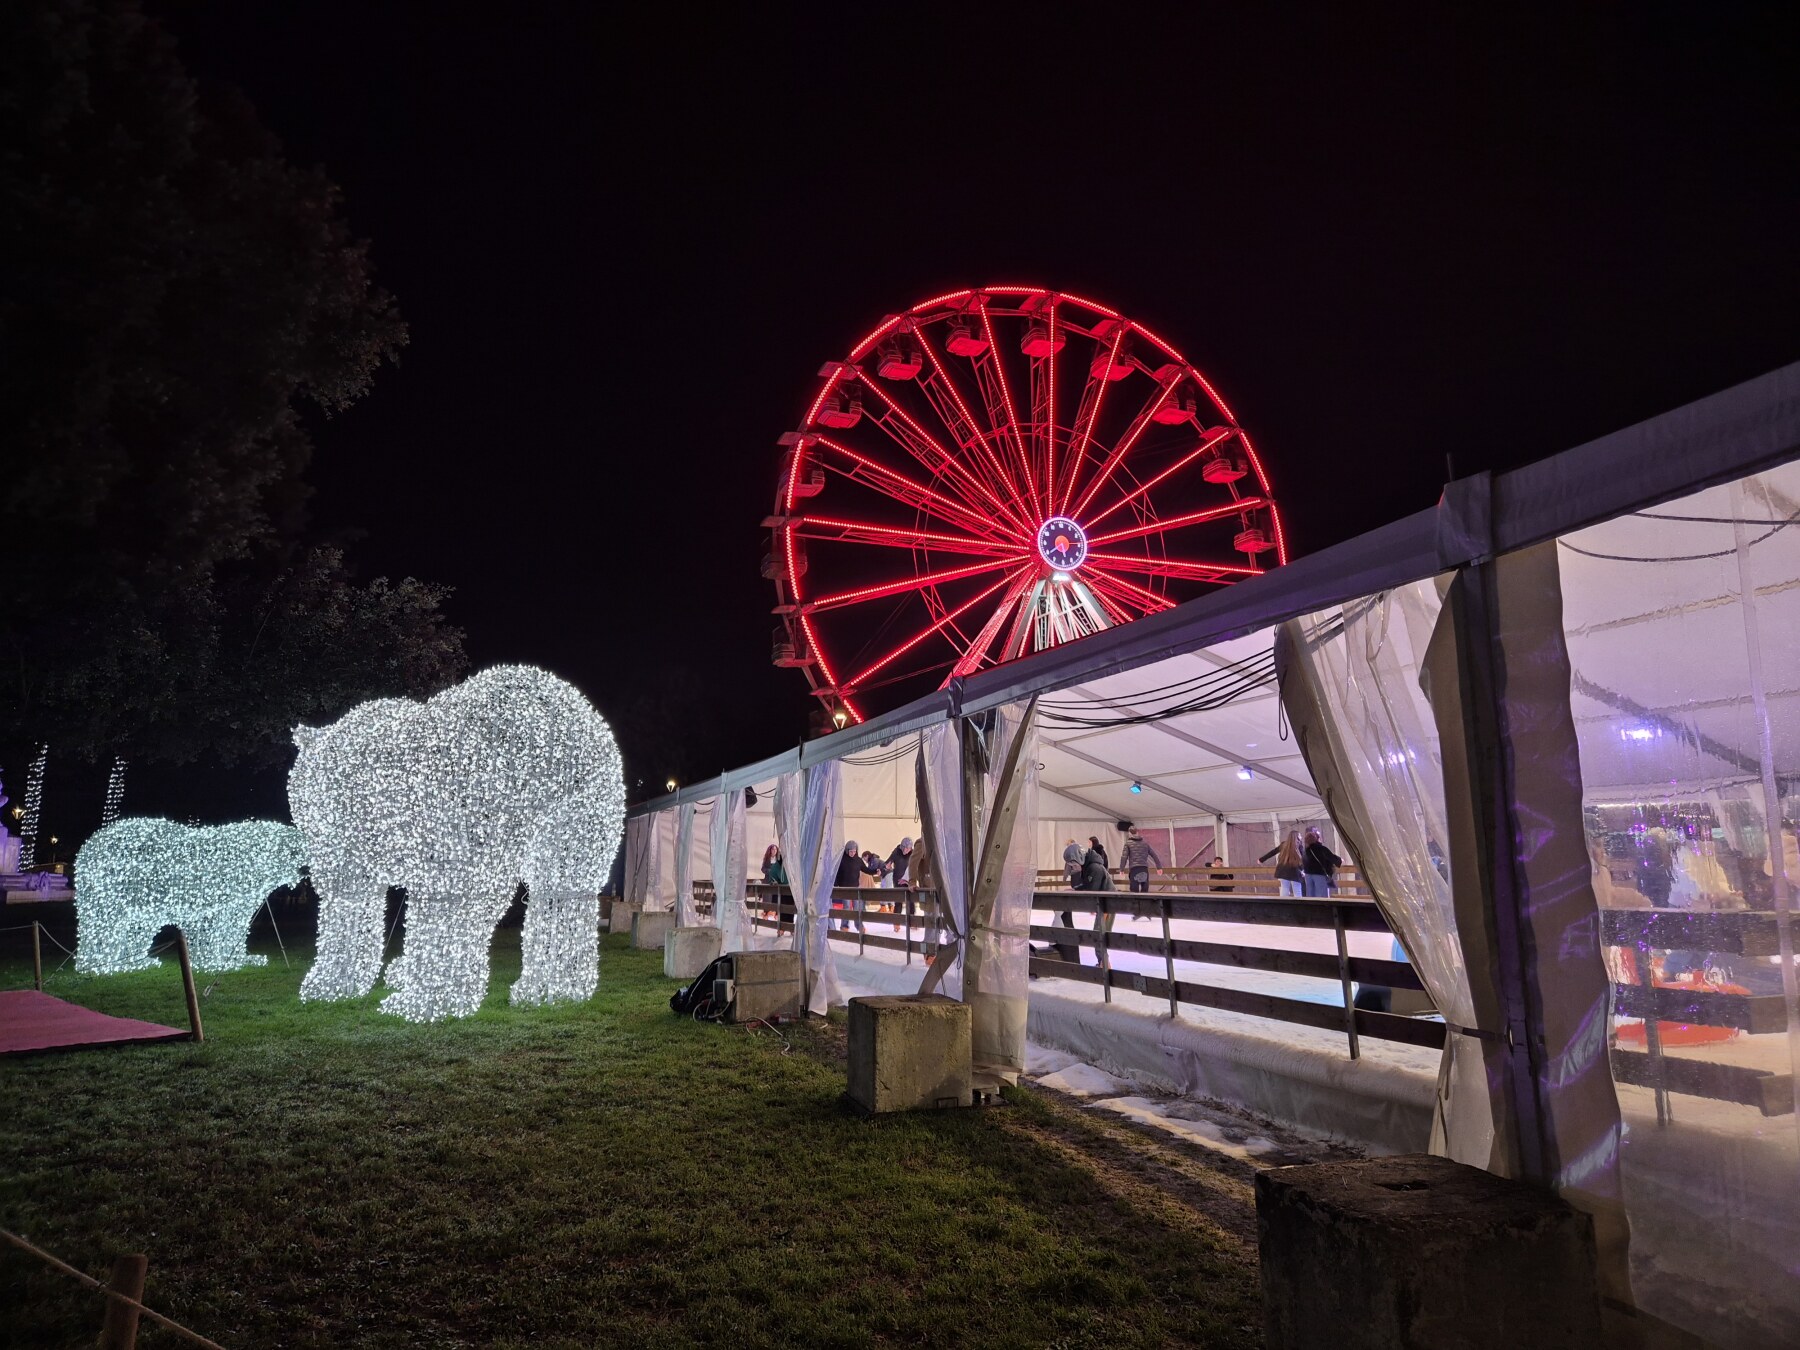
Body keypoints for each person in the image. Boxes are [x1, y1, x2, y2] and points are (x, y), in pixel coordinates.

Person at [1261, 830, 1305, 897]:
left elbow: (1273, 852)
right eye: (1300, 835)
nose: (1301, 836)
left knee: (1284, 889)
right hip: (1295, 871)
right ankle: (1299, 906)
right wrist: (1303, 870)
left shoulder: (1284, 845)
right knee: (1297, 890)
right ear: (1297, 837)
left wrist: (1261, 859)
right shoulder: (1299, 846)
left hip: (1283, 870)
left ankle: (1284, 905)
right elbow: (1301, 860)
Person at [1301, 827, 1341, 898]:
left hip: (1308, 875)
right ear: (1316, 839)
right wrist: (1339, 860)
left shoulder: (1305, 851)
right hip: (1319, 874)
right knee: (1321, 894)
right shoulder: (1321, 848)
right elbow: (1331, 857)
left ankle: (1311, 908)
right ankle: (1321, 909)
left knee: (1310, 894)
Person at [1120, 827, 1160, 895]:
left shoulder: (1128, 844)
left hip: (1134, 869)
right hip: (1144, 869)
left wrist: (1121, 869)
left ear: (1129, 833)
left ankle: (1135, 905)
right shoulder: (1145, 843)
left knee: (1134, 892)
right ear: (1137, 832)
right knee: (1145, 891)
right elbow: (1154, 855)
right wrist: (1159, 867)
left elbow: (1124, 857)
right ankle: (1145, 905)